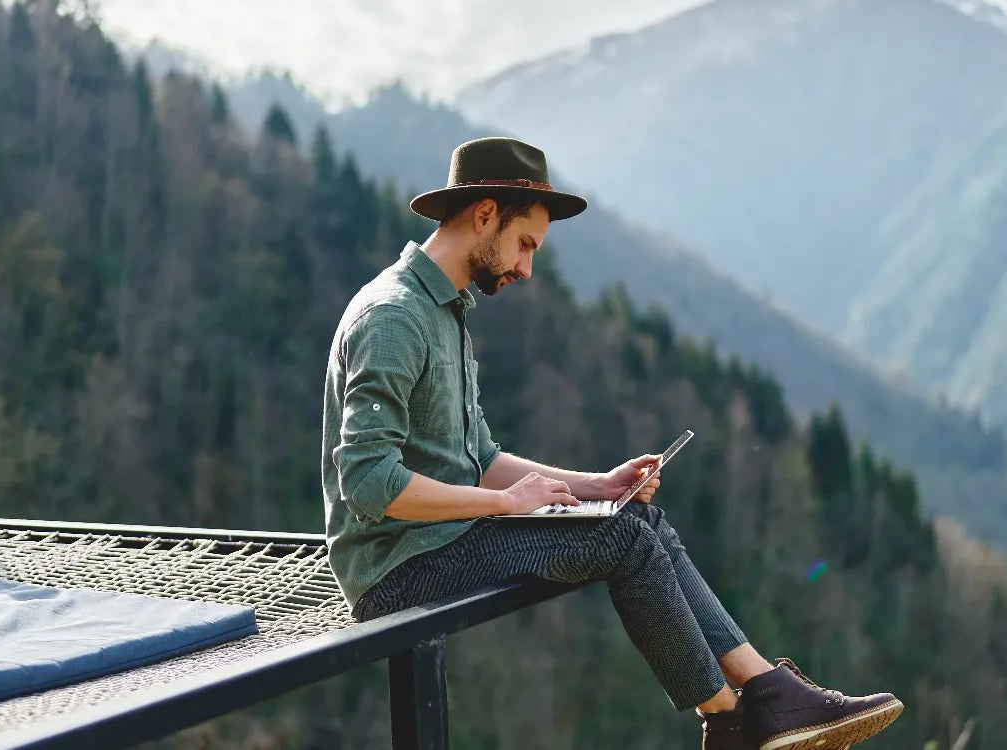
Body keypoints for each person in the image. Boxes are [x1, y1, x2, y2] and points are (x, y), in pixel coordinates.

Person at [321, 137, 903, 750]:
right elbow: (369, 484)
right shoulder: (393, 317)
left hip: (444, 541)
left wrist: (598, 486)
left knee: (636, 515)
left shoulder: (445, 312)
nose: (526, 268)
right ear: (484, 213)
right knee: (620, 537)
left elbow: (482, 461)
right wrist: (502, 504)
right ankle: (733, 722)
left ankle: (765, 695)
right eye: (525, 245)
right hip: (396, 571)